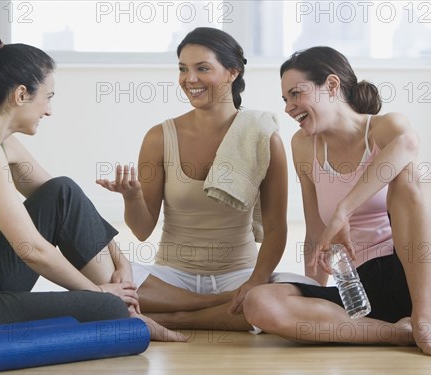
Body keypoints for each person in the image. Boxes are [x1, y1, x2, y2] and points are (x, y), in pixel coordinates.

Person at [0, 32, 185, 342]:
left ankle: (129, 308)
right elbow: (33, 250)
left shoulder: (1, 144)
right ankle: (125, 311)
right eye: (48, 96)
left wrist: (122, 261)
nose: (49, 110)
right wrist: (99, 295)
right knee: (106, 311)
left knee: (62, 191)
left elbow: (66, 202)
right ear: (20, 95)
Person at [242, 46, 431, 357]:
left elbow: (409, 145)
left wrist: (344, 211)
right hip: (363, 290)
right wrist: (310, 291)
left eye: (296, 94)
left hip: (429, 280)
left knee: (411, 178)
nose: (289, 107)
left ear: (331, 85)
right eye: (285, 99)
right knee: (259, 302)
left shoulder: (385, 127)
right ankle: (400, 333)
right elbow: (316, 233)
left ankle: (424, 320)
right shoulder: (303, 146)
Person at [97, 27, 314, 331]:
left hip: (237, 274)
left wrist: (254, 282)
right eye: (183, 69)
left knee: (299, 289)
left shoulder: (263, 137)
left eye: (202, 68)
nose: (190, 79)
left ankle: (172, 318)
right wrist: (131, 197)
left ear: (232, 73)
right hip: (171, 277)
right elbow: (142, 229)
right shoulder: (160, 137)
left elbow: (277, 228)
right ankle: (215, 309)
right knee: (101, 272)